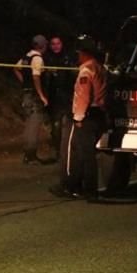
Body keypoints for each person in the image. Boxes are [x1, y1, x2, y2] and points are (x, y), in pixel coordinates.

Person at [49, 35, 107, 200]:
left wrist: (78, 117)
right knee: (88, 154)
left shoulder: (86, 70)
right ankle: (85, 187)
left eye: (80, 53)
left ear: (84, 53)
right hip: (98, 114)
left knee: (78, 153)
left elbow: (83, 96)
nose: (78, 56)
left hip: (86, 115)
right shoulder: (101, 68)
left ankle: (76, 187)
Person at [13, 34, 51, 164]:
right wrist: (41, 95)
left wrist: (24, 83)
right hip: (34, 97)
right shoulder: (38, 59)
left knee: (29, 124)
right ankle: (31, 156)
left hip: (26, 94)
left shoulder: (27, 56)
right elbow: (36, 77)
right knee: (34, 125)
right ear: (42, 46)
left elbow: (16, 68)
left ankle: (27, 155)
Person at [44, 35, 75, 163]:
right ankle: (58, 151)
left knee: (68, 124)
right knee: (56, 126)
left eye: (58, 43)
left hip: (67, 96)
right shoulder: (47, 58)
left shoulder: (68, 58)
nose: (56, 46)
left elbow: (73, 77)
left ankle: (68, 151)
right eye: (53, 44)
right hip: (54, 97)